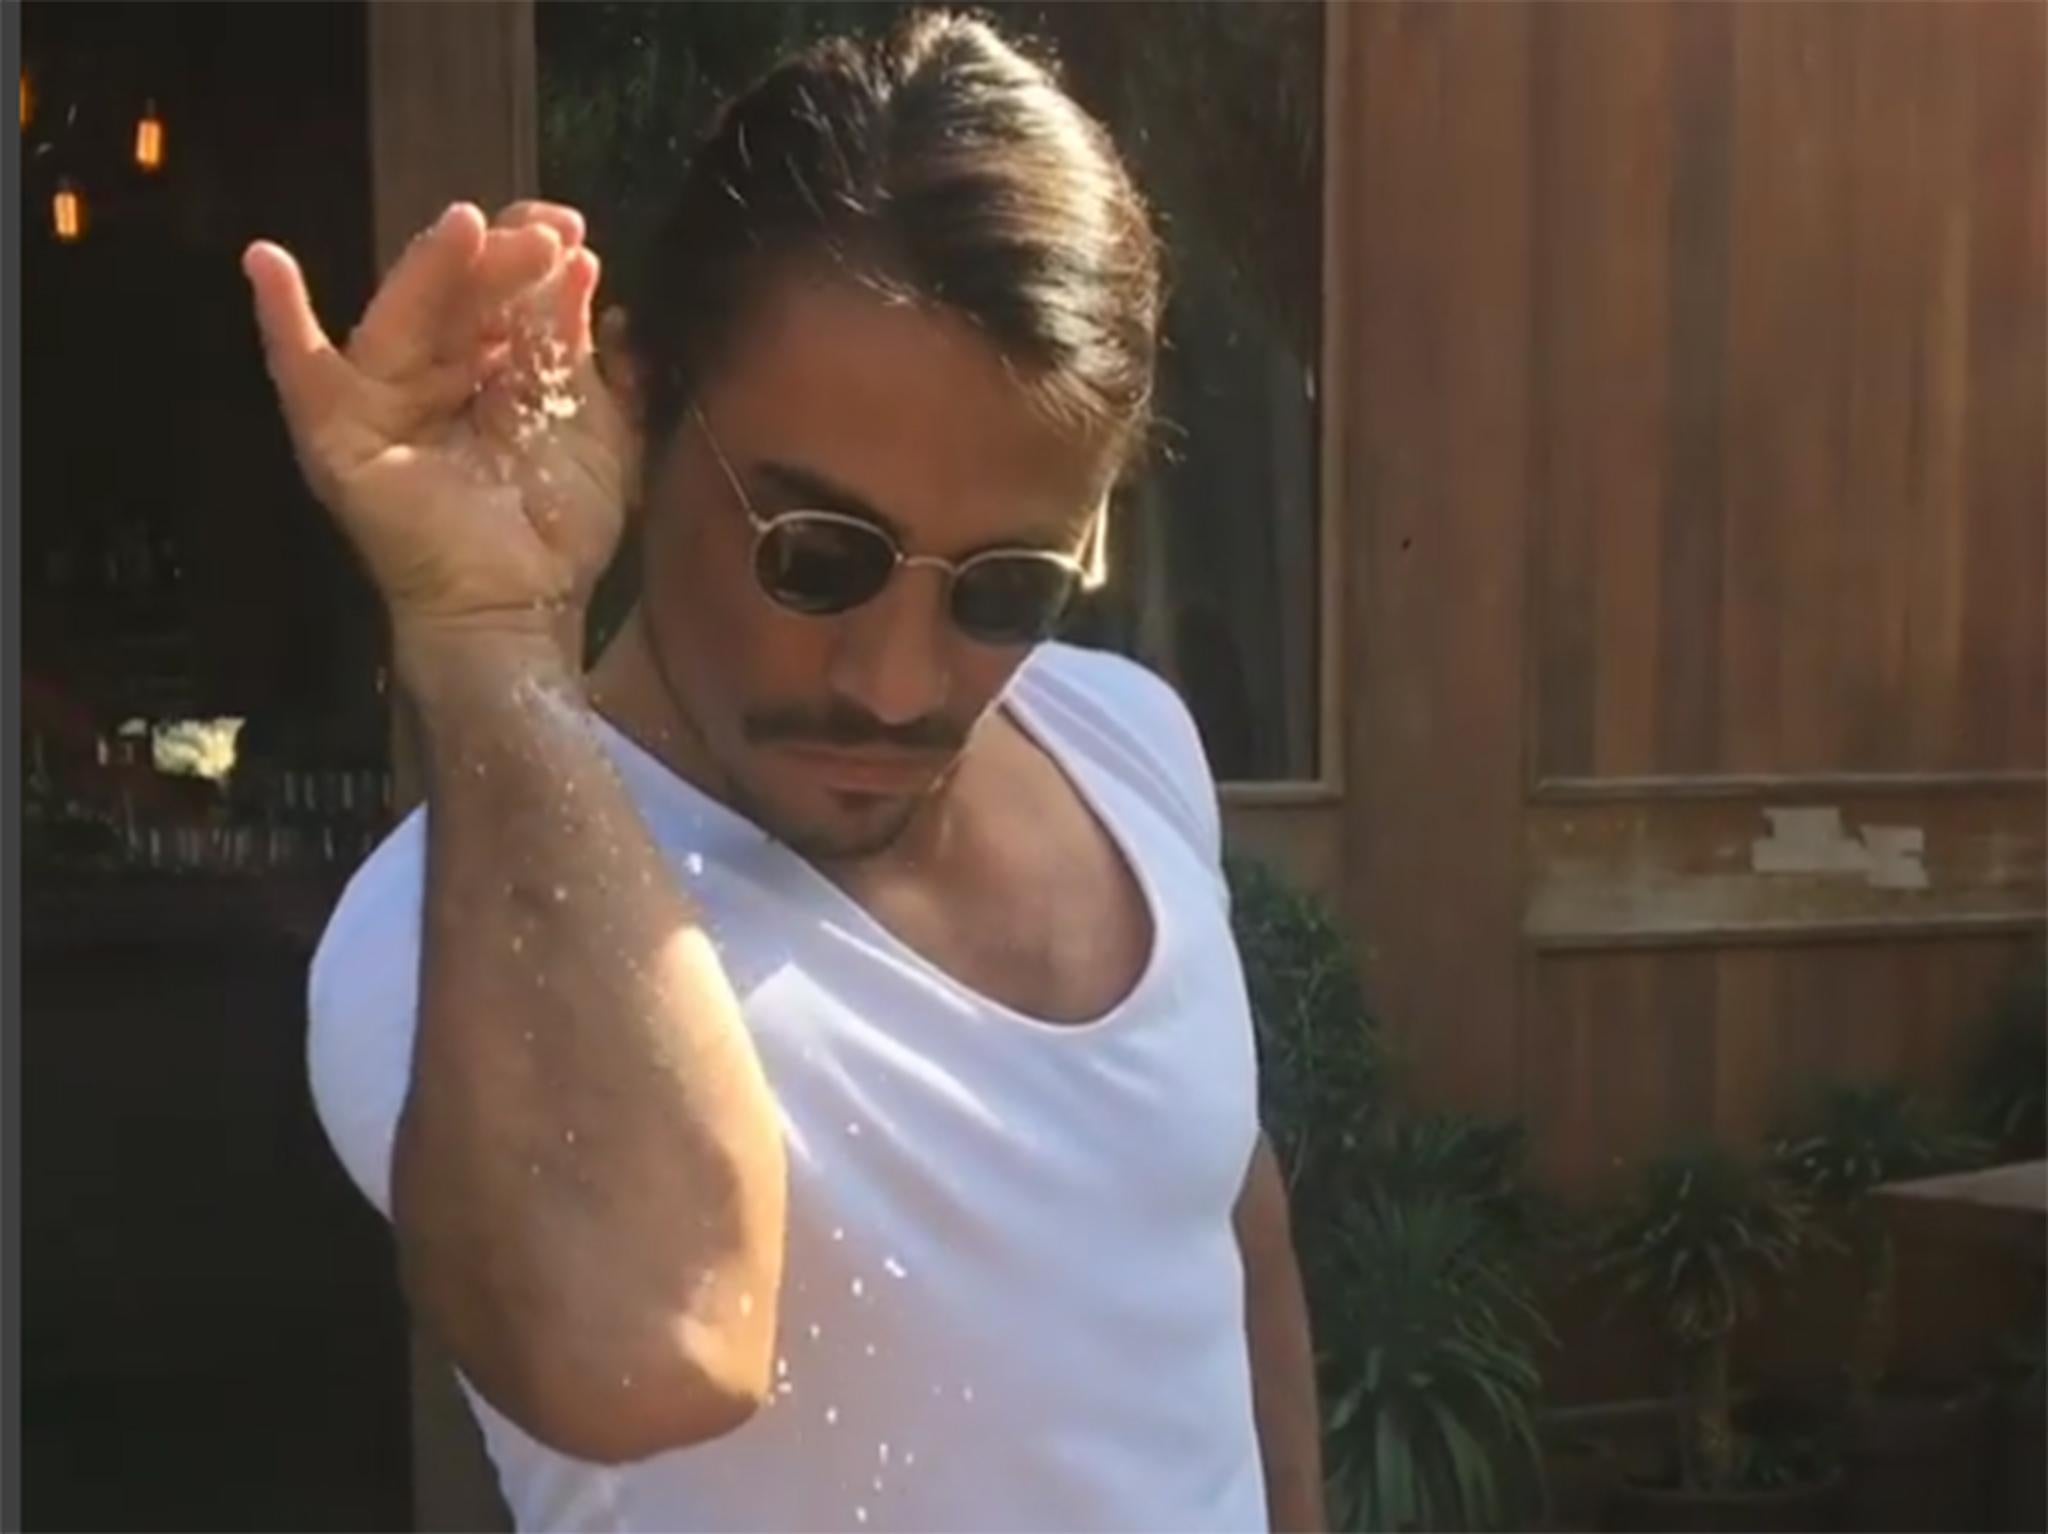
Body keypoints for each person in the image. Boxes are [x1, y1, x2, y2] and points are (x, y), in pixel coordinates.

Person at [246, 12, 1322, 1531]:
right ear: (639, 401)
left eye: (1003, 587)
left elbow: (1225, 1230)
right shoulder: (438, 938)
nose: (895, 681)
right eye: (815, 554)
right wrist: (490, 638)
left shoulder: (1121, 741)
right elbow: (642, 1349)